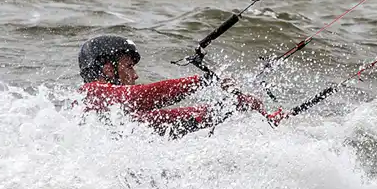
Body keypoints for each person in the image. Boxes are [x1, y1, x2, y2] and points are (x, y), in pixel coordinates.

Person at [77, 35, 286, 138]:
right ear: (107, 69)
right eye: (129, 66)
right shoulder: (91, 94)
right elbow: (139, 97)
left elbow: (166, 119)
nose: (135, 74)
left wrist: (230, 107)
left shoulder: (119, 115)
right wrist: (203, 81)